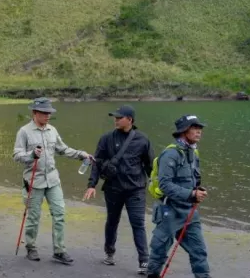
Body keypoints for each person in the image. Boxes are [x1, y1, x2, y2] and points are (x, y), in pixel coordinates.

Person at [12, 97, 92, 264]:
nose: (48, 116)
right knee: (33, 216)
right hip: (34, 180)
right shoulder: (24, 131)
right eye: (44, 113)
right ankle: (31, 247)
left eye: (49, 113)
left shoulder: (52, 130)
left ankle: (59, 251)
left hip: (53, 180)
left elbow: (62, 149)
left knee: (60, 214)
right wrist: (31, 155)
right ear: (35, 113)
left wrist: (81, 154)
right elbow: (17, 156)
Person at [83, 105, 154, 275]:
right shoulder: (106, 138)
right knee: (112, 221)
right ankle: (109, 252)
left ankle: (144, 261)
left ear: (130, 119)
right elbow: (97, 162)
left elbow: (150, 166)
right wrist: (92, 184)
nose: (115, 120)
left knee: (138, 224)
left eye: (119, 117)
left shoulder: (143, 140)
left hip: (135, 189)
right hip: (113, 189)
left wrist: (159, 187)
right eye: (114, 117)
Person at [146, 115, 211, 278]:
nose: (199, 131)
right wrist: (191, 194)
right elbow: (165, 185)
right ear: (184, 131)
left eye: (200, 128)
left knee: (199, 251)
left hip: (189, 211)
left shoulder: (194, 152)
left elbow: (192, 179)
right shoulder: (170, 154)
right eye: (194, 128)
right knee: (159, 251)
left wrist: (197, 190)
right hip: (169, 210)